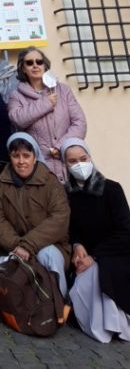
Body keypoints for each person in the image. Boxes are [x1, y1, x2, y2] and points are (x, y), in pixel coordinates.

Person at [0, 132, 71, 297]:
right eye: (16, 156)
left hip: (49, 244)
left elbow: (59, 218)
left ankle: (57, 305)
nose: (21, 161)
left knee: (49, 256)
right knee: (6, 267)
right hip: (13, 245)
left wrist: (28, 245)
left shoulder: (51, 183)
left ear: (34, 157)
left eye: (26, 155)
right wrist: (17, 245)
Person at [61, 138, 130, 343]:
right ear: (65, 164)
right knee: (83, 279)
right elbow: (72, 228)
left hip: (115, 251)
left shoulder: (111, 189)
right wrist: (78, 246)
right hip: (85, 255)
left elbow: (125, 231)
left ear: (90, 158)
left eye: (83, 158)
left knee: (100, 272)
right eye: (72, 161)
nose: (79, 164)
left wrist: (95, 256)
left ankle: (115, 325)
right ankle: (95, 324)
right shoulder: (67, 194)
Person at [7, 47, 87, 183]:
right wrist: (46, 103)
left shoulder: (63, 90)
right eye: (29, 63)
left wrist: (61, 146)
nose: (35, 66)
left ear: (45, 65)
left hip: (67, 160)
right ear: (23, 68)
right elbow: (18, 119)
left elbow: (79, 123)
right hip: (40, 164)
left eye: (39, 61)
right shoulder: (16, 95)